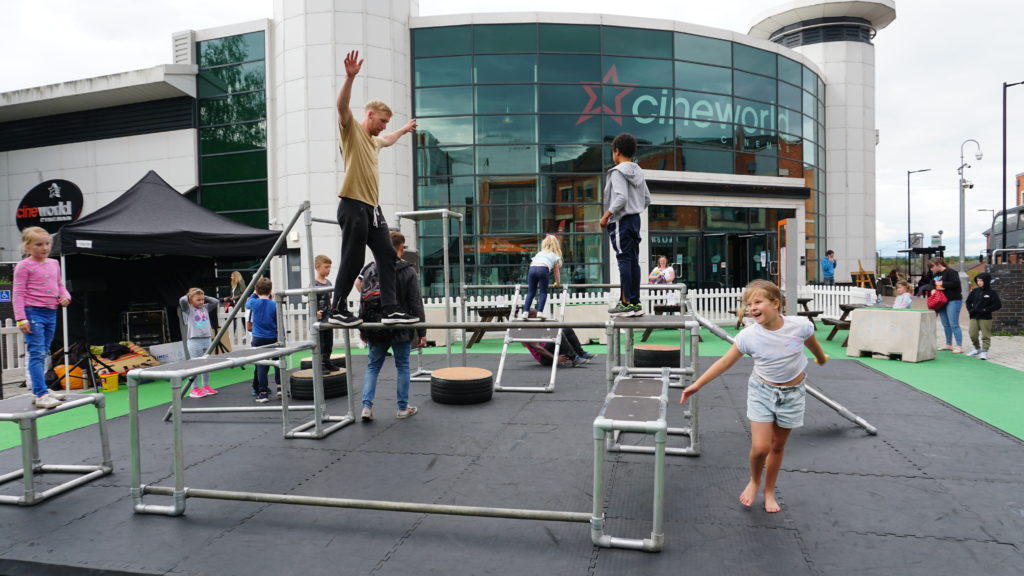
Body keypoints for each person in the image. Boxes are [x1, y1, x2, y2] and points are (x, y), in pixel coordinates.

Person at [680, 279, 827, 513]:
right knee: (760, 448)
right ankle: (755, 480)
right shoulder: (749, 336)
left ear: (775, 303)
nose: (751, 308)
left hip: (793, 393)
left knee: (777, 446)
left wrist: (820, 358)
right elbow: (724, 363)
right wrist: (697, 384)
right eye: (748, 304)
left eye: (757, 302)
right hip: (762, 391)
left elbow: (812, 344)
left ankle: (769, 491)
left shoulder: (799, 326)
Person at [329, 49, 419, 328]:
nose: (383, 128)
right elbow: (342, 107)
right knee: (353, 258)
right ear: (369, 115)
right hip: (352, 203)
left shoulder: (375, 141)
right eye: (381, 122)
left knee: (387, 256)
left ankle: (390, 309)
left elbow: (388, 139)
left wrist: (402, 130)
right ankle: (337, 308)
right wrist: (349, 77)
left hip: (372, 209)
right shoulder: (353, 131)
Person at [357, 231, 426, 421]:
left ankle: (366, 407)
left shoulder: (370, 269)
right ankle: (402, 408)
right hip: (400, 326)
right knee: (402, 366)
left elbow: (363, 300)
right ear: (401, 248)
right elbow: (415, 303)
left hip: (376, 326)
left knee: (372, 367)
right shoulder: (407, 271)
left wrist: (363, 328)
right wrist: (421, 331)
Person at [13, 227, 71, 409]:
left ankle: (42, 388)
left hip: (51, 311)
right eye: (39, 244)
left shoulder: (54, 263)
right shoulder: (24, 266)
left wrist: (66, 296)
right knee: (37, 352)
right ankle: (40, 393)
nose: (44, 247)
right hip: (33, 312)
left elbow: (59, 285)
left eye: (47, 243)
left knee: (44, 351)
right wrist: (21, 318)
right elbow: (18, 293)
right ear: (27, 247)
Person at [599, 133, 651, 317]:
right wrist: (634, 208)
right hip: (634, 219)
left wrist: (606, 215)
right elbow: (647, 199)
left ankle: (626, 303)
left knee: (624, 260)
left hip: (621, 220)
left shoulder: (617, 172)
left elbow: (621, 197)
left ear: (617, 151)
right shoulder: (638, 171)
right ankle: (634, 303)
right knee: (632, 261)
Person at [178, 287, 220, 398]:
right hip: (194, 340)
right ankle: (194, 389)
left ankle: (206, 386)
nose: (201, 302)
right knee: (195, 366)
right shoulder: (188, 309)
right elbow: (182, 301)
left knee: (206, 365)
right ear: (191, 300)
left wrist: (203, 296)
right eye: (198, 300)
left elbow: (216, 301)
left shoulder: (205, 307)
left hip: (206, 339)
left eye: (202, 300)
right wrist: (190, 296)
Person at [523, 310, 596, 367]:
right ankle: (574, 358)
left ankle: (581, 353)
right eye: (535, 317)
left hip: (550, 350)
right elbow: (539, 349)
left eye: (537, 317)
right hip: (544, 358)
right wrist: (556, 358)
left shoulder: (536, 326)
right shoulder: (526, 332)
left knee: (566, 329)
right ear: (529, 318)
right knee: (558, 334)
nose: (537, 319)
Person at [247, 277, 280, 403]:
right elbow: (278, 321)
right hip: (272, 337)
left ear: (256, 290)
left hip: (258, 338)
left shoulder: (254, 303)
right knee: (277, 362)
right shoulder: (274, 304)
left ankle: (263, 392)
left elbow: (247, 304)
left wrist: (255, 293)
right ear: (270, 290)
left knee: (261, 366)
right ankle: (280, 386)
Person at [521, 234, 562, 320]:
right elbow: (556, 272)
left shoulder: (539, 253)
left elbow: (532, 263)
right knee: (543, 292)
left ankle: (525, 312)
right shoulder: (554, 256)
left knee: (531, 292)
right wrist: (558, 282)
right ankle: (539, 312)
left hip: (532, 269)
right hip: (543, 269)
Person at [928, 257, 964, 353]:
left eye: (932, 267)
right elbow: (932, 283)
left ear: (938, 264)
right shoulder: (937, 274)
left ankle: (959, 346)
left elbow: (956, 284)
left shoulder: (951, 272)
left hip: (953, 300)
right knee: (945, 324)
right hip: (941, 301)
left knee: (953, 324)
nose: (931, 269)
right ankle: (948, 344)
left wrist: (943, 283)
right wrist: (932, 288)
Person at [965, 272, 1002, 360]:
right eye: (977, 280)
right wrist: (970, 310)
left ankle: (984, 352)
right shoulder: (975, 291)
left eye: (981, 280)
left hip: (985, 317)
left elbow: (997, 305)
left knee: (985, 335)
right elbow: (968, 302)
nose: (979, 282)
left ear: (986, 281)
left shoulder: (992, 293)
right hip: (974, 316)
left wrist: (985, 310)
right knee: (972, 334)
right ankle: (977, 349)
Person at [313, 255, 336, 373]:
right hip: (319, 321)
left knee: (329, 343)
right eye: (326, 267)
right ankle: (320, 364)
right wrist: (315, 312)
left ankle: (327, 361)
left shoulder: (329, 283)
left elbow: (329, 300)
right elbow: (310, 303)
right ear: (318, 267)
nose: (329, 270)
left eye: (329, 267)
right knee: (321, 344)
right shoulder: (314, 284)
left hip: (328, 319)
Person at [225, 271, 246, 343]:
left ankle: (246, 334)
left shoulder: (241, 282)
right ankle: (232, 335)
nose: (231, 277)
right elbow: (232, 295)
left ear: (236, 276)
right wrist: (228, 298)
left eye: (232, 276)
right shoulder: (233, 284)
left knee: (243, 319)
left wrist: (235, 298)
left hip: (241, 304)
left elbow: (244, 294)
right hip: (234, 304)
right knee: (233, 319)